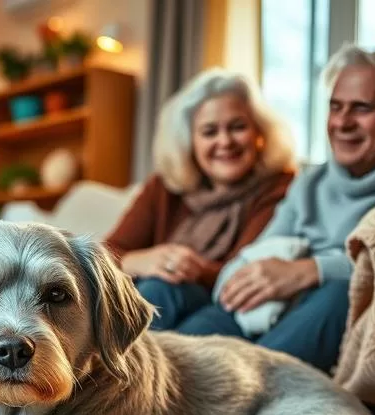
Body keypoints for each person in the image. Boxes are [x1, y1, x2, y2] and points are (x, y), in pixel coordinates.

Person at [177, 45, 375, 374]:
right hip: (270, 311)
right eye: (335, 107)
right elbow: (247, 260)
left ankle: (250, 398)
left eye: (361, 108)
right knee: (176, 359)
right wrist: (240, 278)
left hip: (339, 308)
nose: (342, 122)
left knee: (342, 294)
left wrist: (311, 270)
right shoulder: (312, 181)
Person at [104, 69, 297, 331]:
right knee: (151, 290)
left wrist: (191, 268)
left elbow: (243, 272)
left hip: (222, 306)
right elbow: (106, 254)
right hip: (153, 293)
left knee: (159, 291)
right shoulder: (163, 187)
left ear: (259, 133)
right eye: (209, 132)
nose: (225, 141)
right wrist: (142, 260)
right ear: (190, 142)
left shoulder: (281, 187)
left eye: (238, 127)